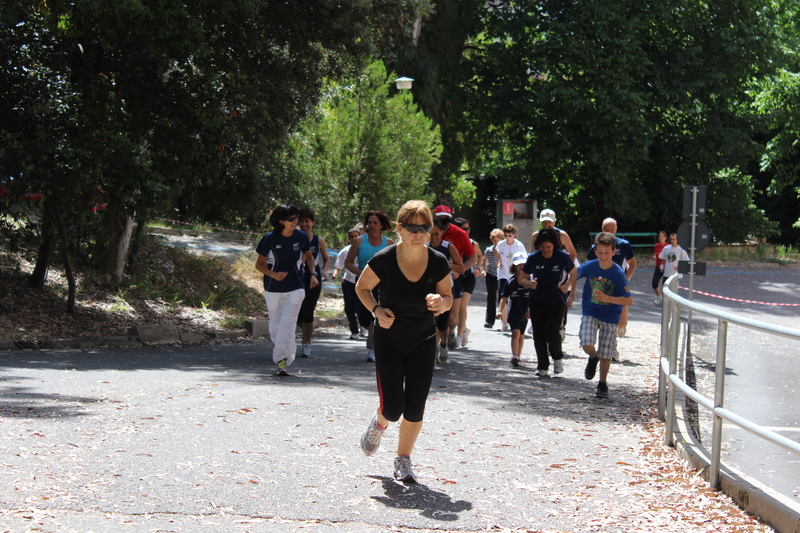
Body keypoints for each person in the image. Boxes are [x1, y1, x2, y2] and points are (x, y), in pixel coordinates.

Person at [356, 200, 453, 484]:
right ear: (400, 229)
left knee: (414, 408)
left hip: (423, 339)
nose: (419, 233)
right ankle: (379, 423)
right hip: (388, 340)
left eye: (425, 228)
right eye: (412, 228)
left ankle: (403, 459)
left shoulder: (438, 261)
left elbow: (448, 298)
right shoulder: (384, 259)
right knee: (392, 408)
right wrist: (376, 310)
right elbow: (362, 288)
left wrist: (440, 302)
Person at [255, 204, 318, 376]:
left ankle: (282, 362)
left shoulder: (302, 237)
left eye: (296, 217)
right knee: (276, 327)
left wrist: (312, 274)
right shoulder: (269, 238)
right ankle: (283, 352)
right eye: (291, 219)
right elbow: (259, 265)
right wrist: (274, 275)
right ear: (281, 221)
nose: (296, 221)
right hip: (273, 288)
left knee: (287, 323)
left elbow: (310, 258)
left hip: (296, 287)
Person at [578, 232, 633, 398]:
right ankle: (592, 357)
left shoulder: (618, 273)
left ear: (614, 252)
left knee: (606, 353)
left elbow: (628, 300)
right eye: (600, 251)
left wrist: (607, 298)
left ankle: (602, 384)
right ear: (595, 251)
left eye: (607, 252)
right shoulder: (589, 266)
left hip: (610, 315)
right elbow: (573, 274)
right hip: (591, 311)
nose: (603, 255)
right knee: (586, 342)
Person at [519, 228, 575, 377]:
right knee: (538, 333)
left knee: (551, 331)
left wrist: (567, 286)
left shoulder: (562, 257)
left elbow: (575, 273)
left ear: (554, 246)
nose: (545, 250)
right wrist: (529, 283)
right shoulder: (534, 257)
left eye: (548, 247)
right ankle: (542, 365)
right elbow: (522, 278)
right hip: (537, 299)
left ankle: (557, 357)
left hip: (557, 299)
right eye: (542, 247)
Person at [345, 211, 395, 362]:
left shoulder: (390, 243)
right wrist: (362, 272)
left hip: (382, 286)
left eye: (375, 223)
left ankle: (373, 347)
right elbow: (348, 263)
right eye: (370, 222)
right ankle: (370, 331)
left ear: (381, 225)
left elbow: (395, 265)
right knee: (364, 317)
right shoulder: (359, 241)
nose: (372, 225)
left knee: (379, 316)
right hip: (364, 285)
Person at [530, 209, 578, 340]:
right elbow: (532, 255)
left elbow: (573, 253)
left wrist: (566, 267)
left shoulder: (562, 235)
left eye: (549, 223)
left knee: (561, 297)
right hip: (542, 272)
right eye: (544, 223)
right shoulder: (535, 236)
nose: (546, 225)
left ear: (554, 222)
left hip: (560, 272)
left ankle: (561, 326)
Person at [433, 206, 476, 350]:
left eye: (447, 218)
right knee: (435, 315)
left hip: (455, 279)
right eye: (440, 218)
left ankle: (451, 332)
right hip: (433, 280)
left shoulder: (459, 233)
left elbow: (473, 256)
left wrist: (459, 270)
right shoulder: (428, 232)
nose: (443, 221)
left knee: (452, 319)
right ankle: (436, 350)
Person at [586, 218, 636, 337]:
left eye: (612, 230)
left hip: (619, 285)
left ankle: (620, 328)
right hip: (601, 285)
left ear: (616, 230)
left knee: (621, 324)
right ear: (602, 229)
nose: (609, 232)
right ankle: (610, 348)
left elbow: (633, 264)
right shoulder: (595, 247)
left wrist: (625, 278)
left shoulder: (624, 245)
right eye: (606, 230)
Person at [428, 218, 464, 363]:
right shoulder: (423, 247)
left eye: (437, 234)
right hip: (428, 289)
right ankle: (433, 353)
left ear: (442, 233)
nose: (434, 237)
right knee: (431, 323)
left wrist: (445, 265)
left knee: (443, 325)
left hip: (445, 290)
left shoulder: (448, 247)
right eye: (431, 234)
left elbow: (461, 268)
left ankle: (443, 344)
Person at [296, 208, 330, 358]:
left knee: (308, 312)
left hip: (313, 279)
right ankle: (307, 333)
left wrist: (325, 271)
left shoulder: (319, 240)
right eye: (301, 221)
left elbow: (326, 258)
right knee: (296, 314)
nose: (304, 224)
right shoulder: (294, 238)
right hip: (296, 277)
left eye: (307, 221)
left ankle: (306, 344)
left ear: (312, 223)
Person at [494, 224, 527, 332]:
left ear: (514, 235)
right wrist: (499, 262)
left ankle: (517, 318)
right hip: (503, 273)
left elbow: (524, 260)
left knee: (517, 297)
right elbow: (497, 253)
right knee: (503, 297)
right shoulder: (501, 244)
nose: (508, 238)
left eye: (510, 235)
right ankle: (504, 322)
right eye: (506, 235)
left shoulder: (519, 246)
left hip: (515, 274)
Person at [454, 217, 482, 347]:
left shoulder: (473, 243)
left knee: (462, 306)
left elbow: (479, 255)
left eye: (468, 228)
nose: (467, 231)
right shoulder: (452, 243)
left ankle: (459, 336)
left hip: (469, 276)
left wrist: (478, 267)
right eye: (464, 228)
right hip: (457, 277)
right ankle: (464, 329)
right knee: (456, 308)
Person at [502, 252, 532, 368]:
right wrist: (501, 311)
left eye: (524, 264)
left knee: (521, 335)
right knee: (516, 332)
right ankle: (514, 356)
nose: (521, 267)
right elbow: (503, 298)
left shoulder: (530, 281)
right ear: (514, 266)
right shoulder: (510, 282)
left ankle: (518, 356)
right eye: (519, 264)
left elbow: (533, 297)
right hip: (513, 312)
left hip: (525, 312)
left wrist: (531, 311)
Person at [333, 227, 362, 340]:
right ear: (349, 238)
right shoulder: (345, 251)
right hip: (348, 282)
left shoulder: (363, 250)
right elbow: (338, 266)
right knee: (349, 307)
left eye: (356, 236)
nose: (354, 238)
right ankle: (354, 331)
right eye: (352, 236)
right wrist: (335, 274)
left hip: (361, 282)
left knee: (359, 307)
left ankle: (364, 326)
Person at [480, 229, 504, 329]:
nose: (496, 243)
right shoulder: (489, 250)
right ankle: (489, 321)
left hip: (502, 275)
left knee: (503, 297)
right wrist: (483, 270)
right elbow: (484, 260)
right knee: (491, 297)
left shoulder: (504, 250)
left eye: (498, 241)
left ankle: (505, 320)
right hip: (491, 275)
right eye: (494, 241)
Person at [652, 230, 668, 305]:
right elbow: (655, 253)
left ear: (665, 238)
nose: (660, 237)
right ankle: (659, 296)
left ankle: (667, 300)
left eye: (662, 236)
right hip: (658, 266)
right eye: (659, 236)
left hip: (666, 267)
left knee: (665, 284)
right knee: (654, 283)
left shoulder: (668, 246)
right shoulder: (657, 245)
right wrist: (655, 256)